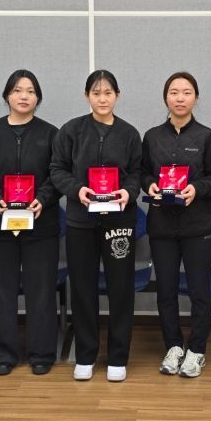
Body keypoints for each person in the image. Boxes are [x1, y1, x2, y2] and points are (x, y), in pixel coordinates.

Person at [50, 70, 141, 382]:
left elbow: (137, 172)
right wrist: (77, 189)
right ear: (86, 95)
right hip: (81, 221)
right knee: (83, 287)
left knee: (121, 288)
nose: (102, 99)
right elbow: (57, 169)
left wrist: (129, 191)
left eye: (108, 93)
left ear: (118, 95)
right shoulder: (71, 131)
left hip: (120, 222)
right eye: (96, 93)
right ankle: (86, 355)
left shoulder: (129, 133)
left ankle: (118, 357)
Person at [0, 70, 60, 376]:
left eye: (30, 91)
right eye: (17, 90)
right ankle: (3, 353)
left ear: (38, 97)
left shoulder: (52, 134)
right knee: (1, 289)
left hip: (41, 224)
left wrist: (44, 198)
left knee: (41, 290)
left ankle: (42, 353)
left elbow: (58, 173)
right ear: (7, 95)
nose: (24, 96)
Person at [141, 72, 211, 378]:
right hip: (161, 226)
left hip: (197, 226)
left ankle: (197, 350)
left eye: (186, 92)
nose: (179, 98)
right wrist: (148, 185)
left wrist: (196, 189)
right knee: (166, 290)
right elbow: (143, 173)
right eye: (174, 92)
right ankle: (174, 346)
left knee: (199, 291)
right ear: (166, 98)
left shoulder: (207, 136)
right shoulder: (152, 137)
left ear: (196, 98)